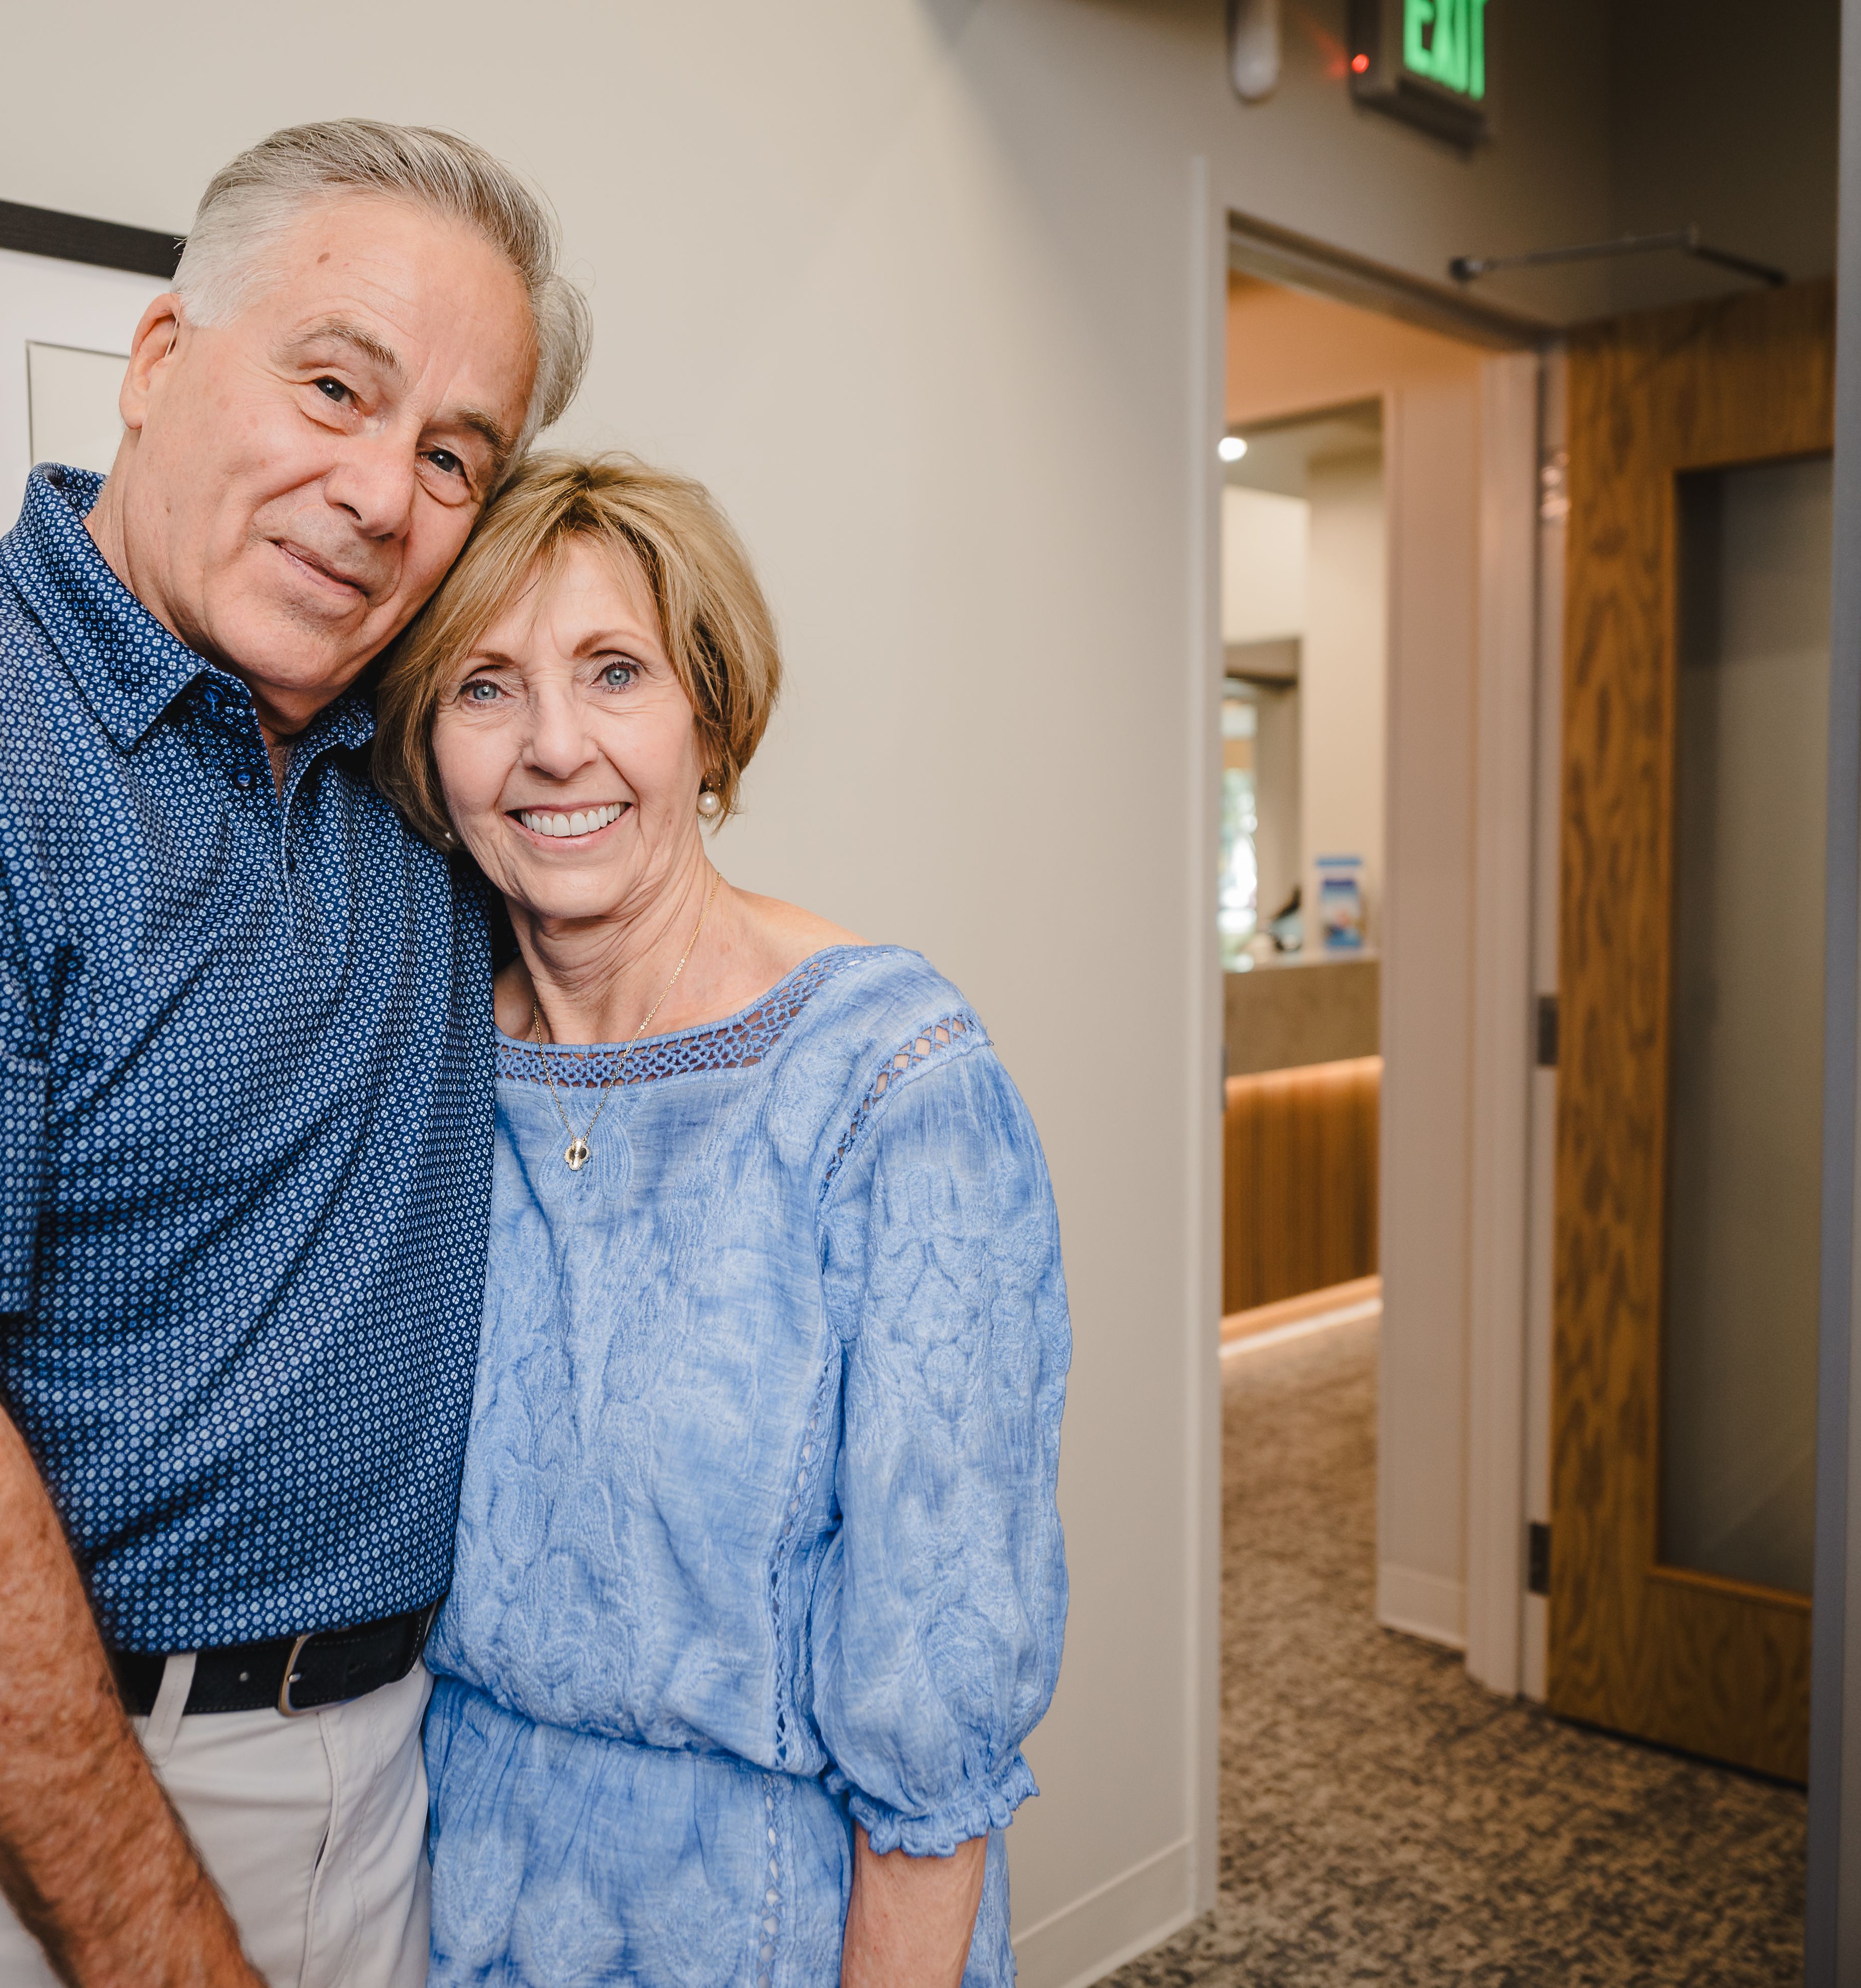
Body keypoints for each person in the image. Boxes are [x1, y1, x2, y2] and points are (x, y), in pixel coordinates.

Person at [0, 120, 589, 1988]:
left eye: (451, 456)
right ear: (159, 363)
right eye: (336, 385)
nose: (382, 490)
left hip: (373, 1771)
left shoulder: (428, 775)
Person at [368, 454, 1072, 1985]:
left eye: (613, 672)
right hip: (441, 1883)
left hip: (767, 1913)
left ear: (707, 711)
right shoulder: (414, 1056)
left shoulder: (891, 1080)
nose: (558, 747)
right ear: (427, 745)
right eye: (486, 688)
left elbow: (939, 1678)